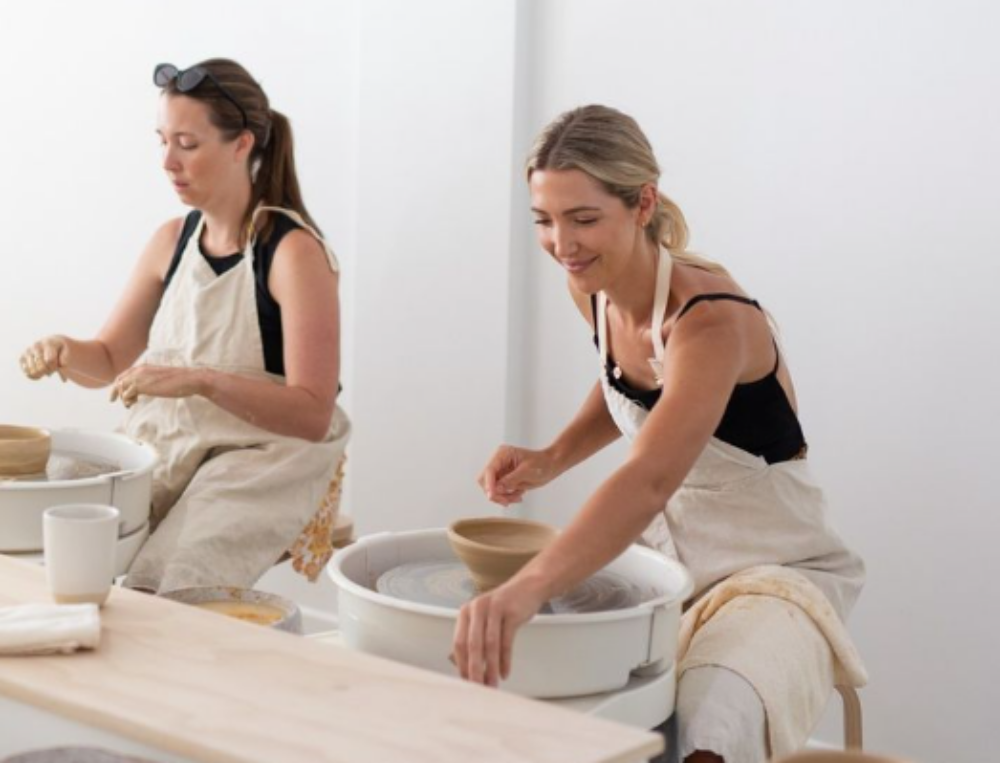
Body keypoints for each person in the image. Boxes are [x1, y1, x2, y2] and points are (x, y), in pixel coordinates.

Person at [451, 106, 864, 763]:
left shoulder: (712, 323)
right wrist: (552, 457)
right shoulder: (592, 289)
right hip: (669, 567)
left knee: (706, 732)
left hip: (774, 572)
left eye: (584, 219)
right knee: (557, 698)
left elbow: (648, 479)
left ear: (643, 203)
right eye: (544, 220)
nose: (562, 244)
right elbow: (629, 381)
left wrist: (527, 586)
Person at [19, 59, 350, 593]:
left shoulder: (291, 252)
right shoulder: (171, 240)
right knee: (53, 525)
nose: (168, 161)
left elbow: (313, 415)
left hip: (258, 456)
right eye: (162, 141)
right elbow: (109, 359)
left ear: (242, 145)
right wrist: (64, 350)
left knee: (166, 584)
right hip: (170, 443)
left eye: (187, 144)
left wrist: (199, 380)